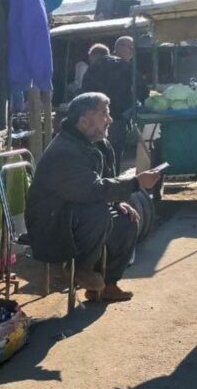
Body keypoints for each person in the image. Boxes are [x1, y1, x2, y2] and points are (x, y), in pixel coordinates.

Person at [25, 93, 161, 302]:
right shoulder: (65, 151)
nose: (110, 119)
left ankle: (108, 284)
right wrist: (136, 183)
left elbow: (106, 182)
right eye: (104, 114)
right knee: (97, 214)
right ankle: (81, 268)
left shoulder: (100, 145)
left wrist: (119, 201)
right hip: (50, 222)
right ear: (84, 120)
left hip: (76, 212)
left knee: (127, 219)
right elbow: (91, 190)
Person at [81, 37, 145, 165]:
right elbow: (142, 89)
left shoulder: (93, 67)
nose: (132, 52)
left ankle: (99, 179)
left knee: (97, 151)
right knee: (114, 152)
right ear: (118, 48)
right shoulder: (125, 66)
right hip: (117, 117)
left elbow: (84, 91)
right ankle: (112, 179)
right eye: (130, 48)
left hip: (94, 117)